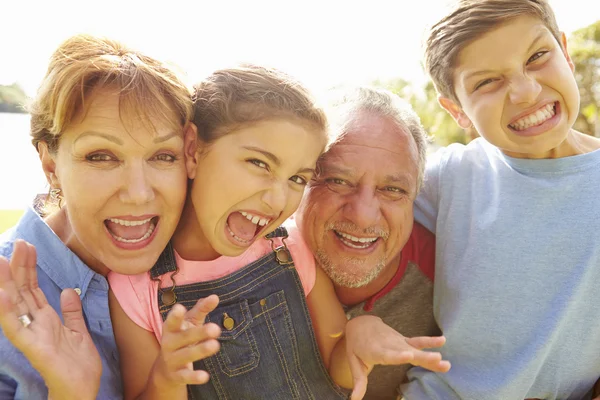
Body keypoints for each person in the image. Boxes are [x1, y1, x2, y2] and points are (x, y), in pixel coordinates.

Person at [107, 65, 450, 400]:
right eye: (259, 164)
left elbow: (336, 364)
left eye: (297, 179)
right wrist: (167, 377)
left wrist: (359, 337)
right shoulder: (135, 288)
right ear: (193, 150)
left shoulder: (292, 248)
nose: (277, 199)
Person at [400, 0, 600, 399]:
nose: (526, 92)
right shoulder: (448, 178)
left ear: (564, 51)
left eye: (538, 56)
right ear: (457, 111)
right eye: (487, 82)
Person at [0, 34, 196, 399]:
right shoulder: (6, 301)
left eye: (163, 156)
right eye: (101, 156)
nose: (138, 193)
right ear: (50, 166)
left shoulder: (207, 262)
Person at [295, 86, 442, 400]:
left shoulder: (447, 282)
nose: (362, 216)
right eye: (338, 181)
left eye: (392, 189)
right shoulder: (250, 261)